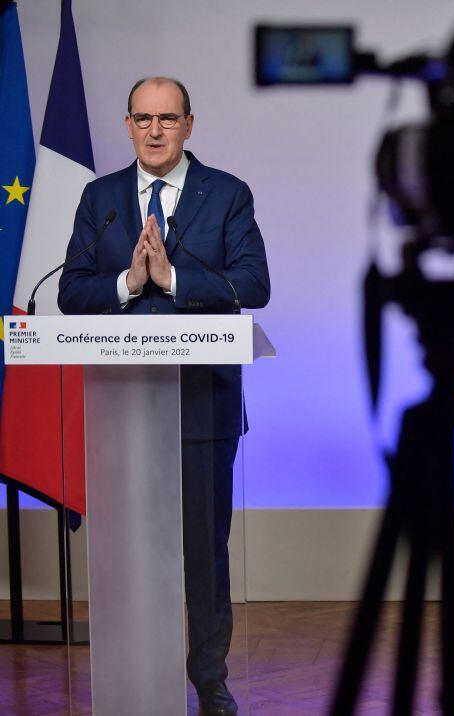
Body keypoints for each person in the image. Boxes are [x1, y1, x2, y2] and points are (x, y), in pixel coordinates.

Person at [58, 76, 270, 716]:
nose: (154, 130)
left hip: (201, 404)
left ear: (189, 124)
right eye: (143, 119)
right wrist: (127, 281)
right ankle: (127, 675)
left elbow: (253, 284)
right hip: (120, 410)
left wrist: (173, 278)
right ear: (127, 126)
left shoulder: (227, 194)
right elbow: (70, 292)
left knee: (204, 552)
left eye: (167, 119)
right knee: (130, 550)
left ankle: (210, 680)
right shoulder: (101, 199)